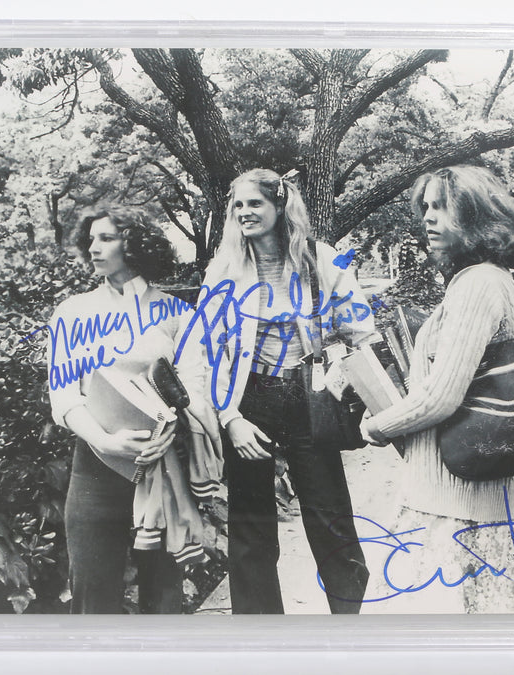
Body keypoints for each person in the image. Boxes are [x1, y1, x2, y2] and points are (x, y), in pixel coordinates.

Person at [359, 165, 514, 614]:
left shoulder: (478, 285)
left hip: (454, 499)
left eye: (443, 207)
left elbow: (443, 396)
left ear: (479, 217)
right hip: (462, 492)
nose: (428, 218)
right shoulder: (479, 280)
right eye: (426, 207)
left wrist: (379, 425)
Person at [199, 168, 376, 614]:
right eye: (237, 205)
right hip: (250, 400)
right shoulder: (224, 268)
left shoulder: (320, 259)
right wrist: (230, 418)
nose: (244, 212)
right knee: (251, 529)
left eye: (254, 203)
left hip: (309, 399)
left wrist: (334, 353)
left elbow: (360, 329)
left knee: (331, 520)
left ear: (280, 206)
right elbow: (208, 351)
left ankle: (348, 630)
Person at [46, 206, 221, 614]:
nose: (94, 247)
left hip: (163, 466)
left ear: (136, 243)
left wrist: (167, 434)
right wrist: (105, 441)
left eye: (106, 238)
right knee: (92, 592)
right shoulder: (73, 313)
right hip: (94, 466)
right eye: (90, 239)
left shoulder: (179, 314)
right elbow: (64, 396)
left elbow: (195, 388)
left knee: (163, 593)